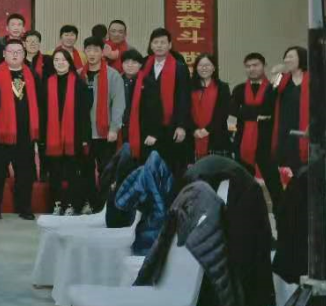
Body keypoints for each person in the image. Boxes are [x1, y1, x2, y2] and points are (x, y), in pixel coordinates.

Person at [128, 28, 192, 178]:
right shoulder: (144, 65)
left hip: (170, 127)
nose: (159, 46)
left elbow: (184, 99)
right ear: (151, 45)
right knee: (148, 169)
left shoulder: (180, 68)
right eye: (156, 42)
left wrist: (181, 126)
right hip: (147, 127)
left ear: (170, 45)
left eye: (163, 42)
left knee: (170, 168)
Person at [0, 40, 40, 221]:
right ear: (4, 54)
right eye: (11, 51)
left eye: (18, 51)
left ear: (24, 54)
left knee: (25, 173)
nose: (14, 54)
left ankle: (24, 207)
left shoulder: (32, 75)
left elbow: (40, 102)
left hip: (25, 133)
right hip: (0, 134)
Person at [40, 48, 91, 216]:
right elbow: (43, 112)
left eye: (63, 60)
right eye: (56, 60)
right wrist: (42, 136)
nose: (59, 63)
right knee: (55, 172)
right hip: (52, 137)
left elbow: (84, 113)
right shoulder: (47, 83)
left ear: (69, 62)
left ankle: (71, 204)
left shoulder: (79, 84)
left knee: (72, 173)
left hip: (74, 136)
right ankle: (57, 204)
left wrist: (84, 137)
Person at [82, 36, 125, 213]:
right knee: (85, 170)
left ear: (102, 52)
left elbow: (119, 104)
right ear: (84, 52)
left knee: (106, 171)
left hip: (105, 132)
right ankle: (90, 203)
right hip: (84, 133)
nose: (92, 54)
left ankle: (103, 206)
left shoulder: (113, 75)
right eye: (88, 50)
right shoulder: (80, 74)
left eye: (96, 50)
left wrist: (114, 128)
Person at [231, 52, 278, 203]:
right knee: (240, 185)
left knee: (274, 184)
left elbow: (273, 111)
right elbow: (232, 110)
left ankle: (281, 214)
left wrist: (246, 111)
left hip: (266, 142)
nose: (251, 69)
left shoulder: (273, 88)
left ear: (264, 66)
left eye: (255, 65)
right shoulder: (239, 89)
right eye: (248, 66)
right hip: (242, 142)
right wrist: (258, 115)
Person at [272, 45, 310, 184]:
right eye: (285, 57)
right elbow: (270, 97)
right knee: (284, 171)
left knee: (301, 171)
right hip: (284, 131)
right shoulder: (283, 80)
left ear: (302, 58)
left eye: (291, 56)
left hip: (303, 131)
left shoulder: (312, 79)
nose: (286, 60)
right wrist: (276, 75)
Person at [190, 54, 230, 161]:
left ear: (214, 68)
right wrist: (194, 130)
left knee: (217, 168)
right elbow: (184, 110)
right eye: (200, 65)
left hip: (217, 136)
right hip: (193, 136)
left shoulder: (222, 87)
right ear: (196, 68)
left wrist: (207, 130)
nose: (204, 68)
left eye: (207, 65)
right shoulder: (189, 86)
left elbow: (223, 112)